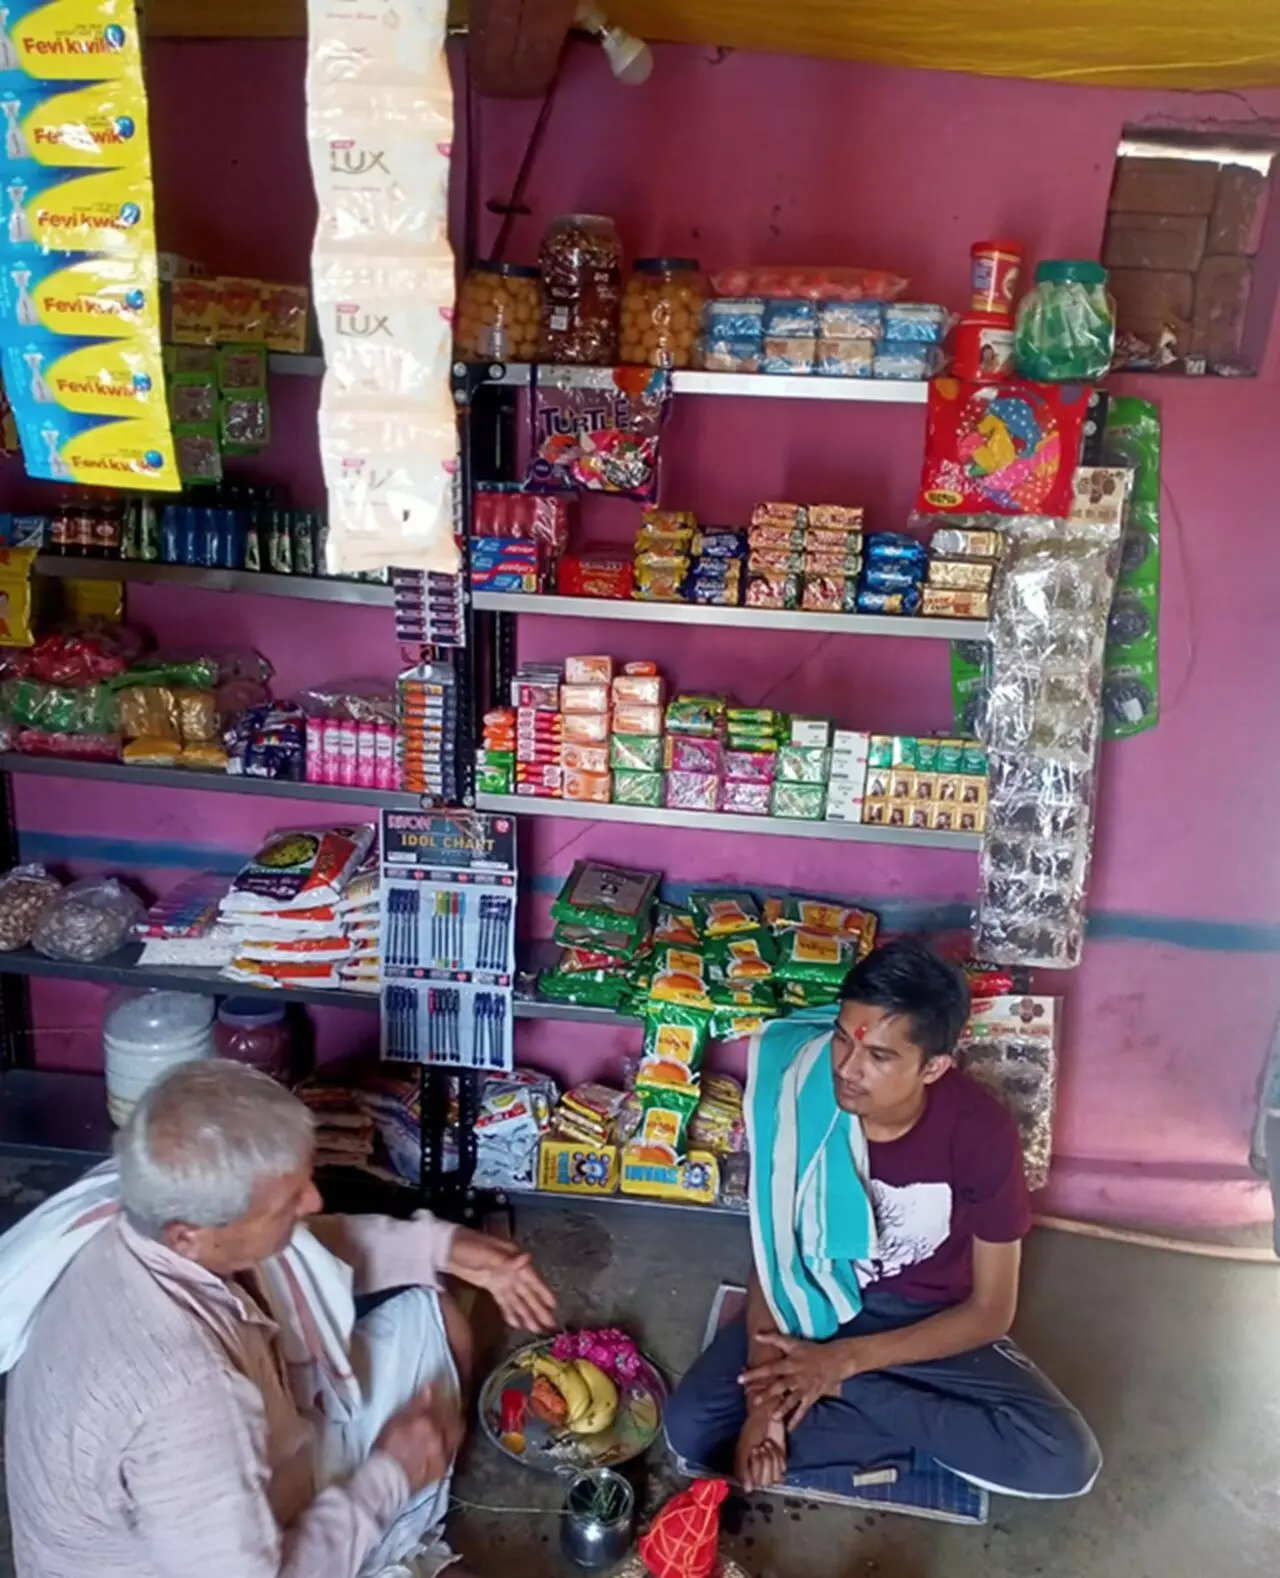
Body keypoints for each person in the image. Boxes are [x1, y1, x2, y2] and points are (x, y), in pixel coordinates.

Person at [3, 1059, 557, 1578]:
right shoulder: (189, 1397)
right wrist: (392, 1474)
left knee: (437, 1320)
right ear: (189, 1237)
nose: (313, 1201)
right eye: (288, 1200)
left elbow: (300, 1247)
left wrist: (444, 1247)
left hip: (223, 1486)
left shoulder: (146, 1204)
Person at [665, 938, 1100, 1502]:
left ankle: (841, 1397)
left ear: (934, 1066)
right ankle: (911, 1428)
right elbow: (777, 1257)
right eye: (843, 1038)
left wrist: (840, 1368)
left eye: (879, 1056)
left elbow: (991, 1311)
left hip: (924, 1322)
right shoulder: (800, 1094)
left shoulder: (980, 1133)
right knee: (692, 1430)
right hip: (818, 1300)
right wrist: (762, 1409)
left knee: (1063, 1458)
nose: (847, 1068)